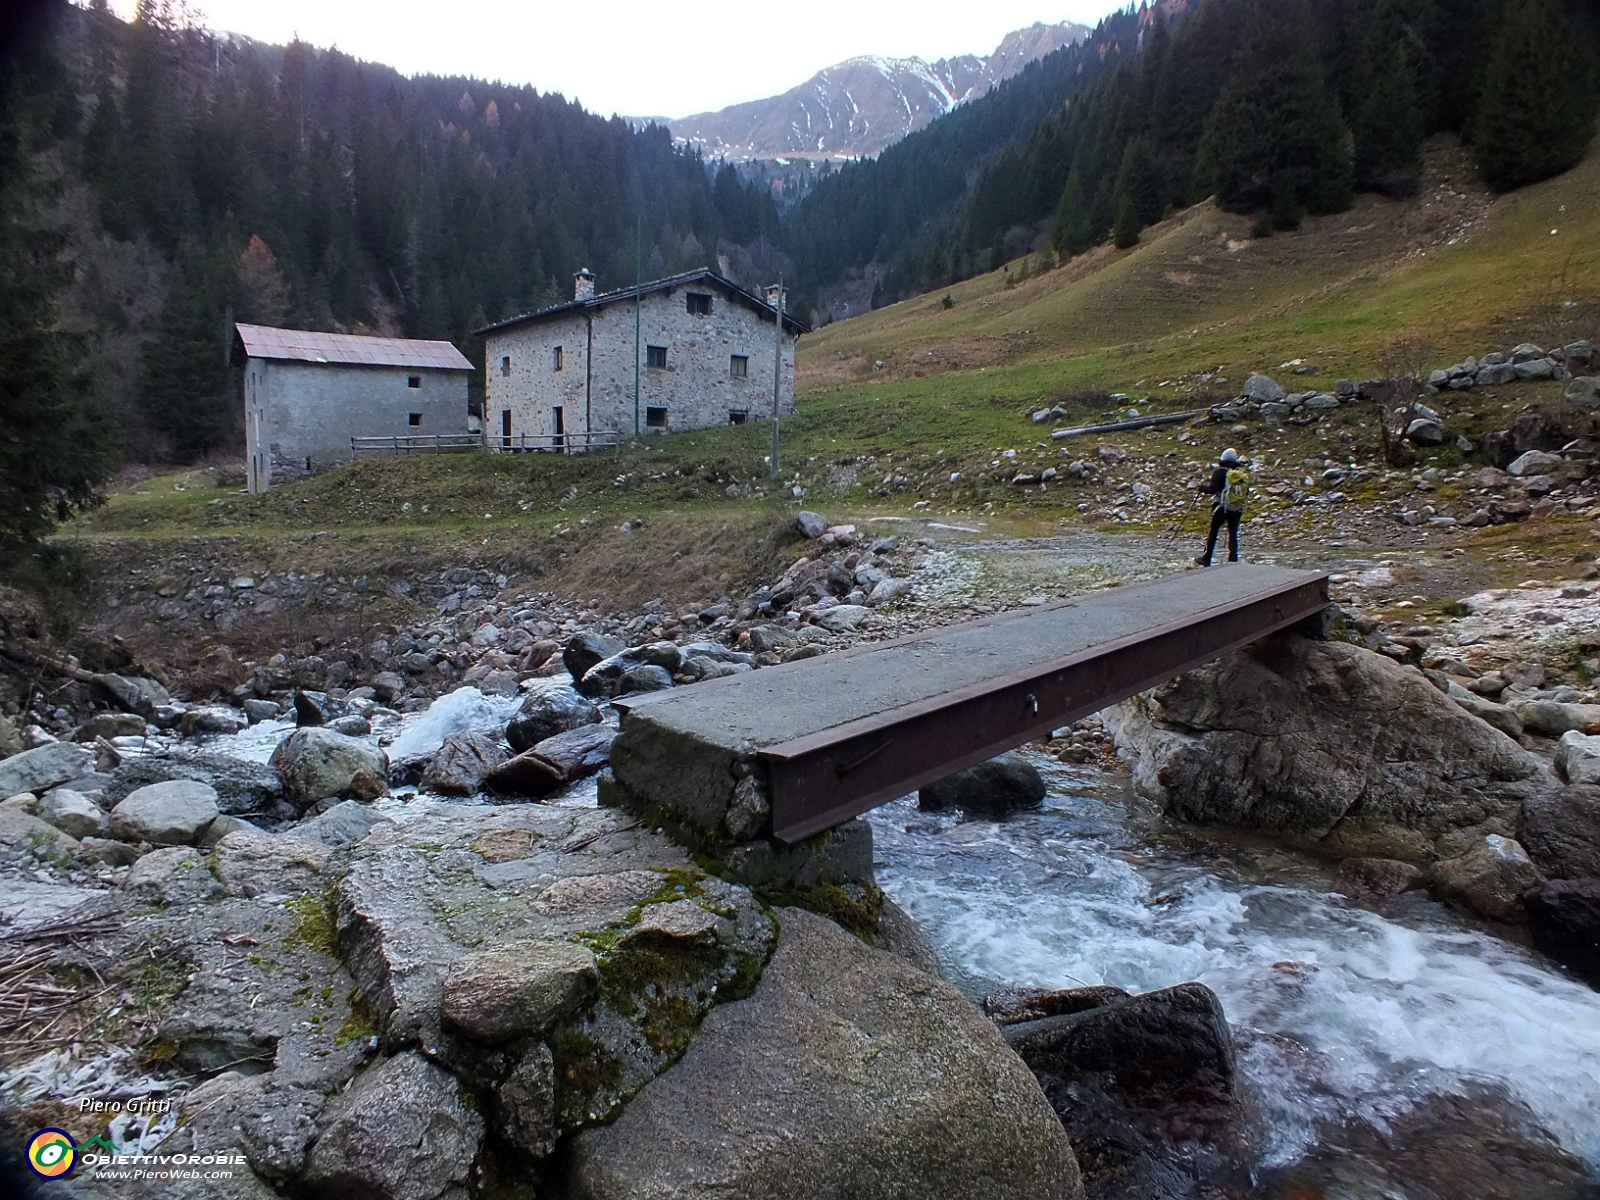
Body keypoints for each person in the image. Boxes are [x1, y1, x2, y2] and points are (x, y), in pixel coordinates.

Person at [1193, 448, 1248, 566]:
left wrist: (1202, 488)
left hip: (1221, 507)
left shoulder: (1220, 472)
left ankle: (1206, 558)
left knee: (1214, 532)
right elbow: (1246, 491)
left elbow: (1213, 489)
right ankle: (1233, 559)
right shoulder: (1239, 474)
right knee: (1233, 532)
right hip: (1236, 508)